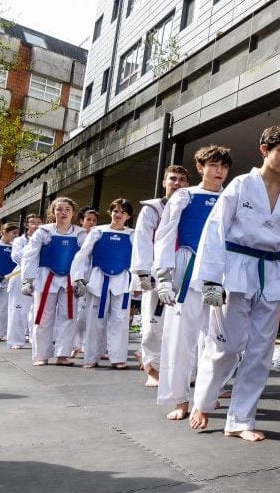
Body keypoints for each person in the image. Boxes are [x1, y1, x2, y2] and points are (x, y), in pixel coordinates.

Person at [188, 126, 280, 441]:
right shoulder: (241, 184)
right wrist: (212, 281)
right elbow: (215, 231)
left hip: (273, 275)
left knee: (260, 352)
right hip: (236, 272)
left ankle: (240, 420)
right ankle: (203, 402)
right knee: (225, 346)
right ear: (265, 149)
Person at [154, 145, 232, 421]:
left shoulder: (229, 198)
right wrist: (163, 277)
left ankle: (205, 397)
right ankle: (179, 399)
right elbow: (165, 235)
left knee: (212, 336)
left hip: (214, 277)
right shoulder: (185, 196)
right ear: (200, 167)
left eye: (223, 166)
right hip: (187, 272)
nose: (219, 171)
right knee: (180, 337)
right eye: (213, 165)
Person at [132, 165, 190, 386]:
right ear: (164, 182)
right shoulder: (152, 209)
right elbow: (142, 242)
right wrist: (143, 273)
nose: (177, 183)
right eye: (173, 179)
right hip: (157, 274)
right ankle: (152, 369)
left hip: (184, 272)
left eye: (182, 180)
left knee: (181, 326)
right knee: (153, 327)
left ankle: (179, 370)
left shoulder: (190, 207)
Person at [21, 197, 86, 366]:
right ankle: (41, 355)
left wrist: (82, 281)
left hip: (70, 279)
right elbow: (30, 255)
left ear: (73, 213)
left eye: (67, 209)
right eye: (59, 209)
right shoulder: (44, 231)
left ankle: (63, 354)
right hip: (46, 277)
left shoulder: (80, 233)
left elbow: (85, 259)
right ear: (52, 212)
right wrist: (27, 280)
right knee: (42, 316)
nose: (63, 212)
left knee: (69, 316)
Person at [71, 199, 135, 369]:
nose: (118, 214)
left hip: (122, 280)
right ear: (110, 212)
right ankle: (91, 357)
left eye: (123, 212)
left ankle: (117, 358)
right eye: (116, 210)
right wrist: (78, 278)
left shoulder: (132, 234)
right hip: (99, 279)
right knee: (95, 320)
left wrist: (139, 281)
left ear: (128, 216)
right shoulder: (97, 231)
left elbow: (140, 258)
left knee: (120, 320)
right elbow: (82, 255)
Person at [6, 214, 41, 350]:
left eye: (39, 222)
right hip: (21, 276)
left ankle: (35, 339)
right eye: (33, 222)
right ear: (26, 225)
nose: (36, 225)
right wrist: (33, 244)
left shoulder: (45, 239)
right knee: (18, 310)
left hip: (40, 276)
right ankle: (16, 340)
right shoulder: (19, 241)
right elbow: (17, 257)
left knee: (38, 311)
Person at [71, 208, 101, 355]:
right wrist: (77, 278)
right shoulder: (76, 236)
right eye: (88, 219)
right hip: (76, 278)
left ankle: (85, 344)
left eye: (94, 220)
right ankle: (74, 344)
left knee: (89, 314)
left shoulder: (98, 236)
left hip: (93, 279)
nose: (91, 223)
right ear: (81, 220)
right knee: (75, 314)